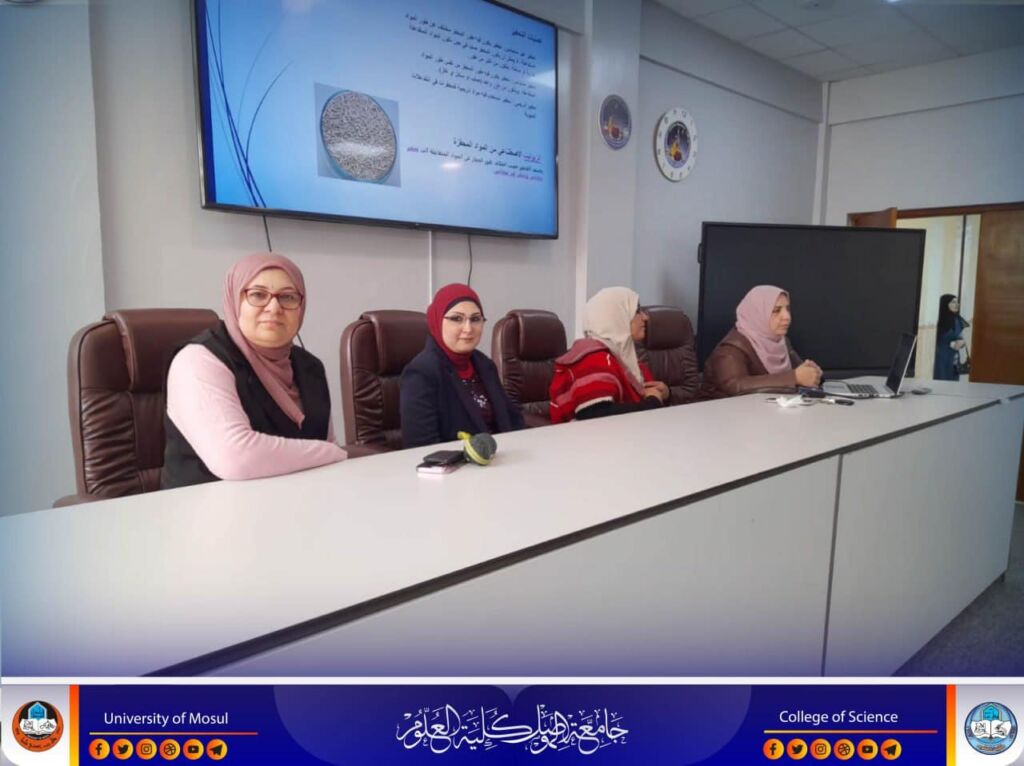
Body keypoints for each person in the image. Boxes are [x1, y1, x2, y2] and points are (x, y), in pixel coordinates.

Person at [162, 253, 347, 488]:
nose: (274, 307)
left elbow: (328, 450)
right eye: (258, 295)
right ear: (235, 300)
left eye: (288, 297)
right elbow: (235, 458)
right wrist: (331, 452)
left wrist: (331, 454)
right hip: (209, 505)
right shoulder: (199, 361)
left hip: (297, 500)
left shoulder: (310, 367)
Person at [400, 283, 525, 448]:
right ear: (436, 320)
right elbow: (421, 446)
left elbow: (513, 419)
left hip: (501, 456)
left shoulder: (484, 364)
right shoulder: (421, 373)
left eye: (475, 319)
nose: (468, 328)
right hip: (456, 462)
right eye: (457, 319)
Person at [548, 286, 669, 423]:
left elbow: (646, 398)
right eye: (637, 311)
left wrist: (664, 394)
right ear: (617, 316)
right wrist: (653, 402)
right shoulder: (593, 359)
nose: (645, 317)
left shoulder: (623, 359)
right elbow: (595, 415)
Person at [699, 285, 821, 399]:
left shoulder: (781, 341)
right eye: (776, 310)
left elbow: (802, 374)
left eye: (787, 309)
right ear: (756, 313)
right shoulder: (729, 351)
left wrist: (813, 374)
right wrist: (794, 378)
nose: (787, 316)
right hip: (723, 413)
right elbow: (736, 386)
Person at [934, 293, 969, 380]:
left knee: (953, 383)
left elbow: (962, 337)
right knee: (941, 382)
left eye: (957, 302)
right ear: (945, 304)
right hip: (941, 359)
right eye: (953, 302)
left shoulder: (958, 319)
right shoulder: (939, 320)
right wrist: (950, 344)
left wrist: (962, 342)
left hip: (954, 359)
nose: (957, 304)